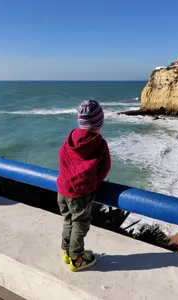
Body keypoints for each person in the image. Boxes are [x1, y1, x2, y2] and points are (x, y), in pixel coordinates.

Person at [56, 100, 111, 272]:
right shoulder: (99, 144)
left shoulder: (70, 139)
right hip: (81, 194)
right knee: (80, 223)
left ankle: (67, 251)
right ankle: (77, 258)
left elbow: (63, 159)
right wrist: (94, 183)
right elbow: (105, 168)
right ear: (100, 123)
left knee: (68, 220)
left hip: (63, 190)